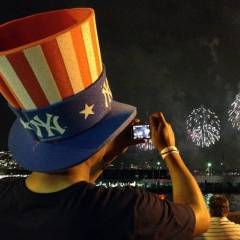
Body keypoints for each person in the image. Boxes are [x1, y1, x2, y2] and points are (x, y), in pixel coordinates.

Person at [0, 8, 210, 240]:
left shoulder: (4, 196)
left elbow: (68, 191)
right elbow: (199, 217)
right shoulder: (126, 209)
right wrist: (169, 150)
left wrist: (105, 153)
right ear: (98, 136)